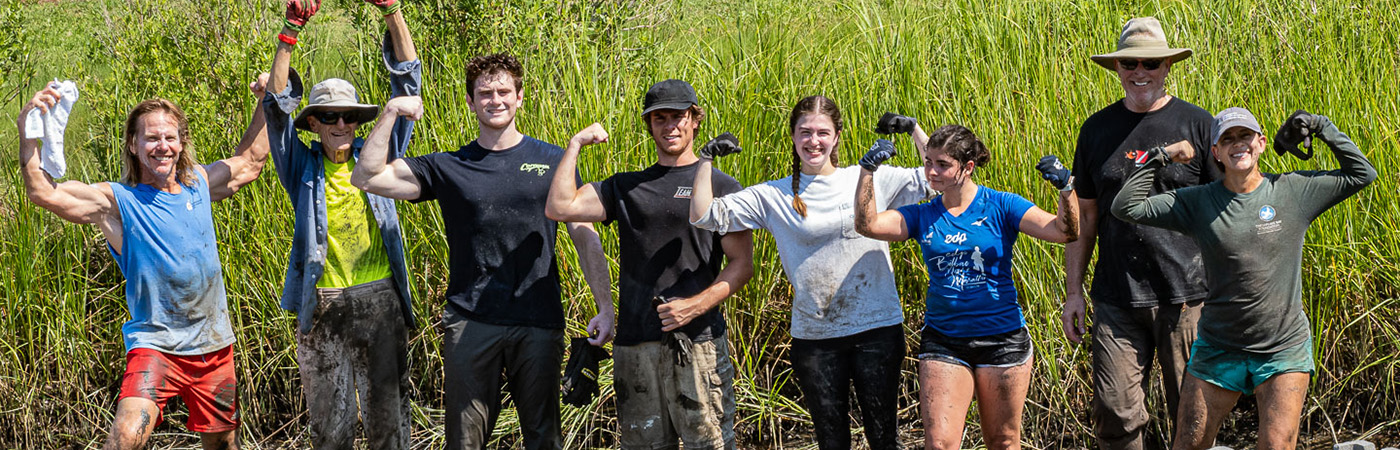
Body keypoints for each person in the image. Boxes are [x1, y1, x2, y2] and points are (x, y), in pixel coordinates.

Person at [351, 52, 612, 450]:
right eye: (485, 93)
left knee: (544, 438)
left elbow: (584, 234)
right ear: (471, 102)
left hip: (538, 322)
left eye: (504, 91)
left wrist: (606, 306)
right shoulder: (449, 166)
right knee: (465, 441)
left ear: (520, 97)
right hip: (470, 322)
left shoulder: (552, 161)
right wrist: (389, 113)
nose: (496, 100)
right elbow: (366, 176)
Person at [18, 79, 269, 449]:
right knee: (125, 439)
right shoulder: (116, 203)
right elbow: (43, 192)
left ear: (181, 143)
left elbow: (251, 161)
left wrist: (267, 101)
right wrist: (28, 132)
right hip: (157, 347)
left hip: (213, 345)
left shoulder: (199, 183)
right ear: (134, 145)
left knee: (224, 446)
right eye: (151, 139)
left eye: (170, 138)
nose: (162, 147)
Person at [1111, 108, 1375, 450]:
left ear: (1261, 143)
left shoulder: (1292, 191)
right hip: (1219, 347)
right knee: (1188, 444)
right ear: (1216, 153)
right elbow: (1126, 207)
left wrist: (1322, 126)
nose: (1239, 145)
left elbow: (1362, 174)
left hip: (1282, 347)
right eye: (1228, 139)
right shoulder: (1199, 202)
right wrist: (1162, 156)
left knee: (1276, 445)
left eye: (1246, 136)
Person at [689, 97, 930, 450]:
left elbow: (936, 177)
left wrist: (912, 130)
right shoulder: (773, 194)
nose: (813, 141)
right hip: (815, 337)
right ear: (792, 137)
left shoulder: (868, 175)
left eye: (822, 133)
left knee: (884, 438)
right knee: (831, 441)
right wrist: (706, 159)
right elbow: (703, 215)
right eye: (805, 132)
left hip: (878, 329)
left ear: (836, 138)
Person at [544, 79, 754, 449]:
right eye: (660, 118)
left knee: (711, 443)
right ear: (649, 124)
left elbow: (741, 265)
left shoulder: (721, 185)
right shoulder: (627, 187)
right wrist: (575, 144)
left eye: (678, 117)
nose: (670, 126)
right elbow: (560, 207)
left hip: (699, 343)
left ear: (695, 120)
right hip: (634, 345)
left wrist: (695, 306)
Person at [854, 125, 1079, 449]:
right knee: (941, 444)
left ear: (968, 167)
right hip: (944, 340)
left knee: (1002, 440)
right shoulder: (923, 215)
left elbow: (1064, 232)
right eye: (928, 161)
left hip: (1003, 339)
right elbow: (868, 225)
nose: (931, 171)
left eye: (942, 164)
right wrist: (867, 171)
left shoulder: (1002, 206)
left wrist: (1066, 188)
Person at [262, 0, 421, 447]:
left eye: (349, 115)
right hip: (323, 303)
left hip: (381, 299)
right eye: (329, 116)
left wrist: (393, 11)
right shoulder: (301, 168)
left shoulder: (380, 158)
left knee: (390, 427)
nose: (341, 124)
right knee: (330, 429)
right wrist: (291, 30)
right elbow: (276, 109)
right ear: (313, 123)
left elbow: (408, 76)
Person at [1063, 16, 1220, 448]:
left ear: (1167, 66)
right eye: (1129, 62)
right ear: (1117, 68)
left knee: (1191, 416)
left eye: (1150, 63)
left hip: (1185, 296)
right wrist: (1073, 292)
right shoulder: (1096, 130)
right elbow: (1086, 218)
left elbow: (1224, 207)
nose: (1139, 72)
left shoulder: (1198, 124)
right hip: (1116, 297)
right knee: (1115, 412)